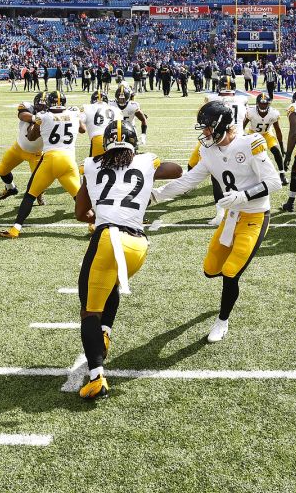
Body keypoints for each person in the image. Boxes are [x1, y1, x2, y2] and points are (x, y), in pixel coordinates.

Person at [151, 101, 282, 343]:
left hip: (255, 216)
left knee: (231, 272)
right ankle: (228, 296)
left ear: (222, 125)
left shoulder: (249, 143)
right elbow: (188, 181)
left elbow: (275, 182)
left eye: (208, 128)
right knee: (211, 270)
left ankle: (222, 320)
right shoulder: (208, 151)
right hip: (232, 217)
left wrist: (243, 195)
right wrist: (155, 196)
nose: (205, 133)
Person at [72, 121, 184, 400]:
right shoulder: (147, 160)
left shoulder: (91, 164)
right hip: (138, 245)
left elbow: (79, 212)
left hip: (108, 238)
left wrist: (98, 215)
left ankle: (97, 378)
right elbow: (177, 170)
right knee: (109, 284)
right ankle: (105, 334)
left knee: (89, 311)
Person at [0, 90, 85, 239]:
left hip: (49, 159)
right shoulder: (73, 113)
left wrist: (38, 122)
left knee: (30, 195)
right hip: (69, 161)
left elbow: (31, 137)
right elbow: (82, 129)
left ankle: (15, 229)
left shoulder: (43, 117)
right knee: (79, 197)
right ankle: (94, 224)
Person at [189, 76, 248, 226]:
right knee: (243, 178)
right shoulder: (242, 100)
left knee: (216, 176)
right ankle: (242, 210)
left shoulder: (211, 98)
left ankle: (220, 213)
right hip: (238, 140)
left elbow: (202, 118)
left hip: (219, 139)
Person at [0, 93, 47, 204]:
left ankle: (40, 195)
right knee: (2, 170)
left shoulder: (51, 116)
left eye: (44, 105)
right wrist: (36, 118)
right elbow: (22, 115)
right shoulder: (28, 109)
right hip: (18, 148)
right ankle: (11, 188)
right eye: (39, 105)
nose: (41, 108)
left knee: (39, 182)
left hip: (36, 153)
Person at [244, 92, 288, 186]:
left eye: (265, 103)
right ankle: (247, 175)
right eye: (261, 103)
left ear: (269, 103)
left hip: (267, 133)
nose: (263, 105)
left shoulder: (274, 113)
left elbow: (278, 130)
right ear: (257, 103)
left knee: (276, 151)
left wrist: (282, 146)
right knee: (248, 154)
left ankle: (282, 174)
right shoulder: (250, 112)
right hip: (253, 134)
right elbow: (242, 126)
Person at [81, 90, 119, 157]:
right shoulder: (116, 109)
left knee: (91, 166)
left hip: (98, 139)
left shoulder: (86, 107)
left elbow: (81, 129)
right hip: (114, 141)